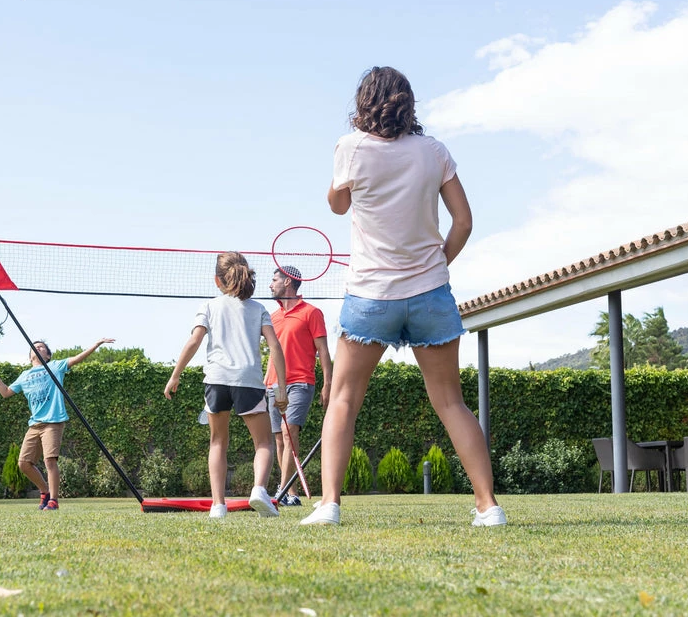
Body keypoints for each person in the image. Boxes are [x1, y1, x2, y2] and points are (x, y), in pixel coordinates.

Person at [301, 66, 505, 527]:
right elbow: (464, 222)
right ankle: (488, 507)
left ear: (364, 101)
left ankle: (329, 505)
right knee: (451, 402)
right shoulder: (434, 151)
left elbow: (337, 204)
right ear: (408, 103)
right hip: (431, 294)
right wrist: (435, 269)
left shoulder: (349, 147)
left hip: (371, 295)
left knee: (344, 400)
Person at [164, 251, 289, 518]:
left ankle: (218, 506)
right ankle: (259, 490)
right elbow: (275, 347)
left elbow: (194, 341)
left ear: (217, 280)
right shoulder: (258, 309)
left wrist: (175, 375)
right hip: (248, 381)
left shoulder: (209, 306)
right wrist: (281, 389)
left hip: (217, 380)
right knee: (264, 443)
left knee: (218, 441)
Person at [0, 337, 115, 511]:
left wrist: (97, 344)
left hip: (53, 422)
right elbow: (6, 392)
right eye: (35, 347)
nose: (38, 348)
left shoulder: (54, 367)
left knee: (49, 460)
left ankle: (53, 500)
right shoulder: (24, 376)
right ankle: (44, 491)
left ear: (47, 355)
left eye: (42, 347)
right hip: (34, 424)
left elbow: (77, 358)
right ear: (31, 355)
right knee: (24, 463)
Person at [265, 266, 332, 506]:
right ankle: (292, 494)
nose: (270, 285)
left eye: (274, 280)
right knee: (280, 441)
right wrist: (265, 380)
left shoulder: (312, 313)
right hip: (273, 384)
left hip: (301, 382)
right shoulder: (272, 317)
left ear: (288, 282)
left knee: (289, 432)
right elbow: (273, 353)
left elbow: (323, 350)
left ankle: (281, 491)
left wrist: (328, 384)